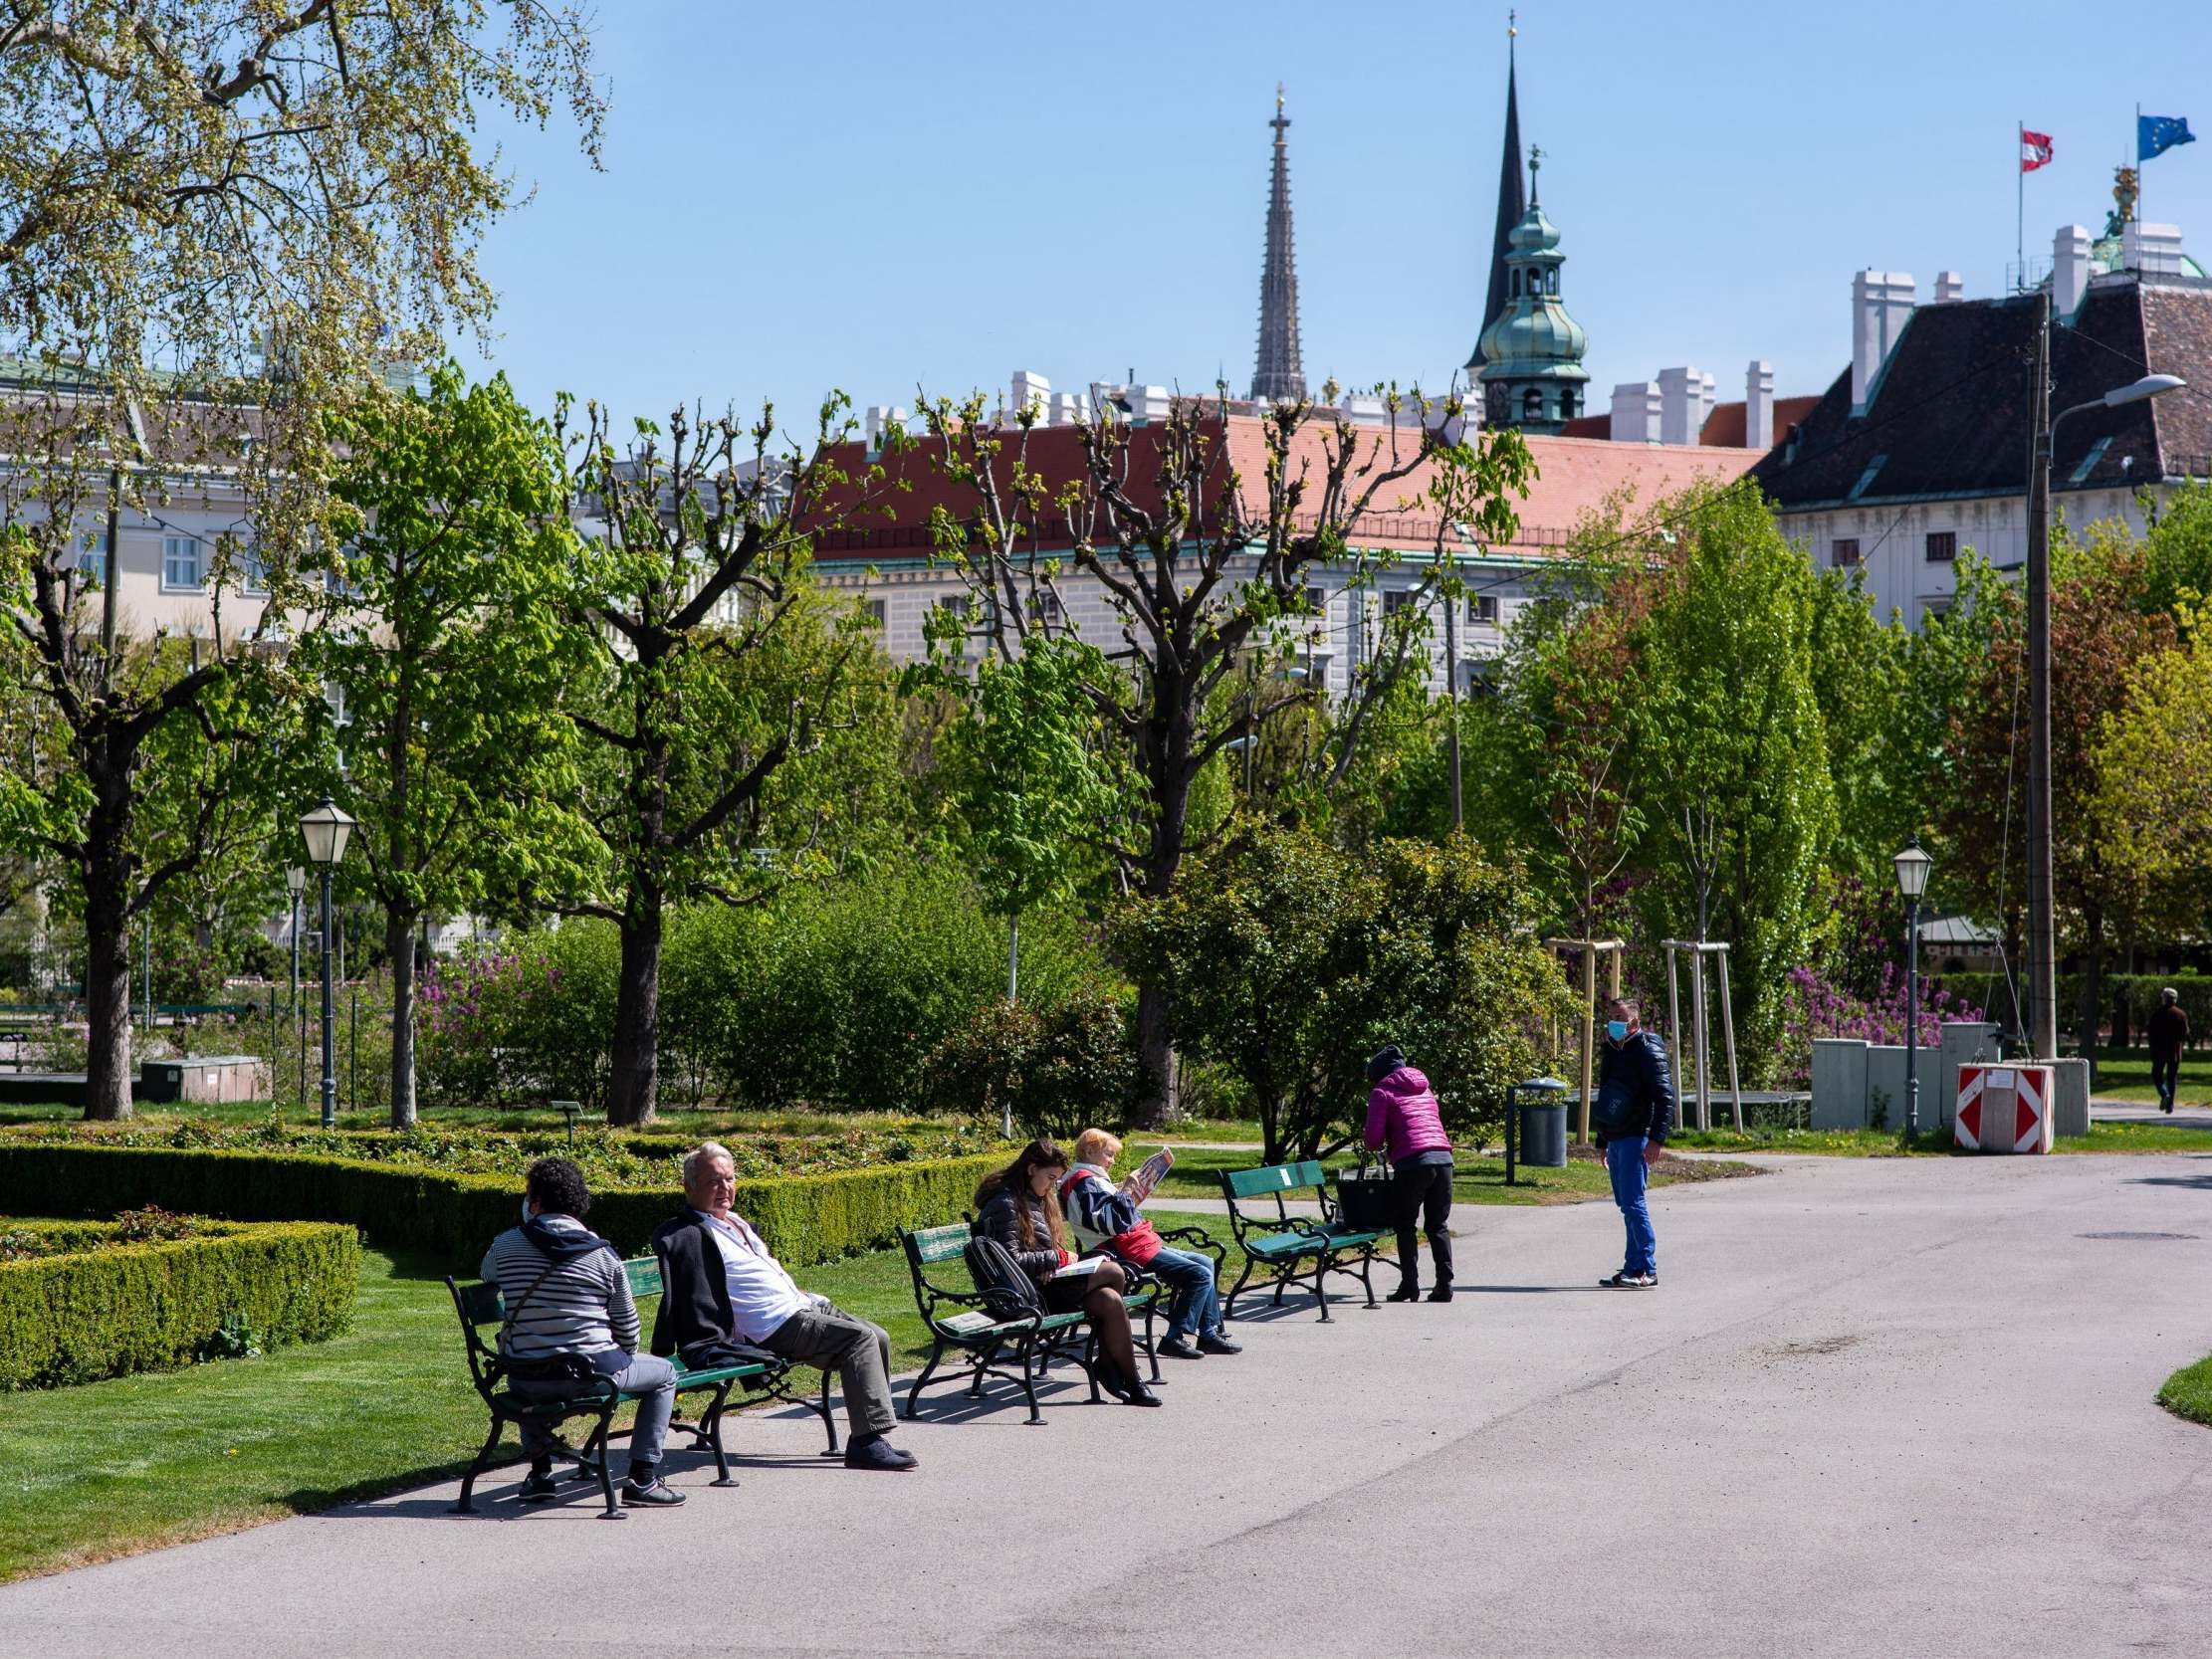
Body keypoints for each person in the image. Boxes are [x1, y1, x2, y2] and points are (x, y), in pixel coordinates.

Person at [652, 1141, 918, 1471]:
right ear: (688, 1186)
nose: (724, 1188)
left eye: (730, 1179)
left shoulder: (736, 1222)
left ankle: (871, 1434)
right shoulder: (689, 1233)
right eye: (713, 1182)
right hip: (775, 1325)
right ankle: (866, 1442)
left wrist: (795, 1291)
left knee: (878, 1336)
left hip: (800, 1305)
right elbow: (695, 1293)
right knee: (859, 1340)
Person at [480, 1156, 685, 1507]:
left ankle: (541, 1474)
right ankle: (643, 1478)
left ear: (535, 1202)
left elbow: (487, 1274)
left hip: (524, 1379)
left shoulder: (505, 1244)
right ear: (579, 1203)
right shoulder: (604, 1257)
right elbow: (629, 1332)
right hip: (591, 1377)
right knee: (665, 1372)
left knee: (530, 1353)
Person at [974, 1140, 1160, 1406]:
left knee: (1110, 1300)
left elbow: (1038, 1247)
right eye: (1049, 1178)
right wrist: (1055, 1259)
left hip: (1046, 1283)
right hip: (1027, 1294)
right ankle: (1112, 1370)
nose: (1052, 1186)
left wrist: (1054, 1262)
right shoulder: (1005, 1203)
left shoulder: (1035, 1197)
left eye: (1056, 1179)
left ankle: (1129, 1380)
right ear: (1031, 1169)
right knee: (1113, 1271)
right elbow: (1009, 1260)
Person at [1061, 1128, 1239, 1360]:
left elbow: (1106, 1213)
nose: (1112, 1161)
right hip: (1121, 1251)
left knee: (1205, 1261)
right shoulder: (1084, 1182)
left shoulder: (1091, 1180)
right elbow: (1110, 1223)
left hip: (1134, 1244)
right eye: (1108, 1154)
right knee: (1199, 1274)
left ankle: (1208, 1333)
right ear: (1089, 1151)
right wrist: (1125, 1190)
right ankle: (1173, 1338)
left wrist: (1124, 1191)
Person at [1590, 998, 1673, 1290]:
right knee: (1625, 1205)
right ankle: (1631, 1267)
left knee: (1634, 1204)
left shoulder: (1648, 1051)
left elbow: (1664, 1098)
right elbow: (1607, 1098)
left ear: (1634, 1023)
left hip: (1636, 1136)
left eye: (1620, 1017)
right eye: (1611, 1016)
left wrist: (1656, 1139)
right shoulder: (1613, 1050)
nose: (1614, 1022)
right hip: (1616, 1137)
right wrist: (1602, 1139)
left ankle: (1647, 1269)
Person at [1363, 1044, 1455, 1304]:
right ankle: (1444, 1285)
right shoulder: (1425, 1089)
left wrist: (1376, 1142)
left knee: (1405, 1224)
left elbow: (1372, 1139)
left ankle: (1410, 1285)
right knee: (1438, 1225)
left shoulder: (1382, 1092)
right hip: (1444, 1160)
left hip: (1413, 1163)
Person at [2147, 987, 2189, 1116]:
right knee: (2172, 1077)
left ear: (2165, 999)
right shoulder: (2180, 1014)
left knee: (2156, 1074)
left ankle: (2164, 1094)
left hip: (2159, 1051)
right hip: (2174, 1052)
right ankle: (2170, 1105)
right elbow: (2185, 1033)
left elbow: (2151, 1033)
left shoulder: (2157, 1014)